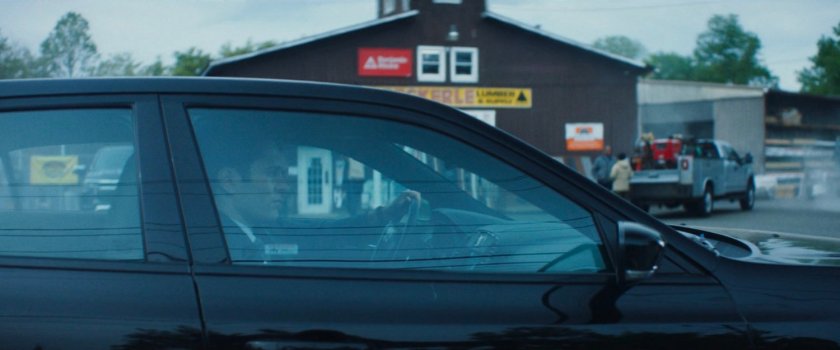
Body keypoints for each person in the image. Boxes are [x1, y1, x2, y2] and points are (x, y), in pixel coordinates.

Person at [207, 138, 419, 263]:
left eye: (284, 174)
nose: (285, 186)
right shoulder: (212, 247)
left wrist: (382, 216)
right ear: (229, 181)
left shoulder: (259, 228)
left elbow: (322, 232)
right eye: (273, 173)